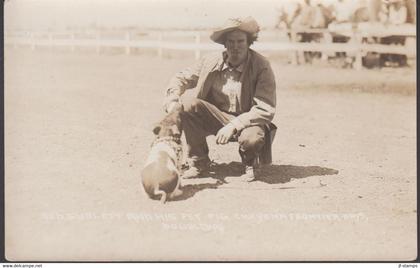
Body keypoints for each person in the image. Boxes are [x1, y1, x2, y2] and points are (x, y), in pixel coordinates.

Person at [164, 17, 277, 181]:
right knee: (188, 104)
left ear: (249, 43)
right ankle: (198, 162)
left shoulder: (261, 66)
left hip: (248, 120)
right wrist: (172, 97)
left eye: (240, 41)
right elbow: (181, 78)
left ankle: (250, 163)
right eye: (231, 42)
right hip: (215, 116)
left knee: (251, 139)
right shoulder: (210, 61)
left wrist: (233, 125)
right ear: (224, 44)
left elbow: (265, 109)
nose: (236, 47)